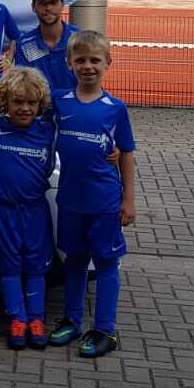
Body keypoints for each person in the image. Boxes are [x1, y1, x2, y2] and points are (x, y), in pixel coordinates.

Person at [49, 30, 137, 358]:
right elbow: (23, 113)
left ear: (108, 63)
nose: (88, 66)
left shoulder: (115, 108)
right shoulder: (59, 101)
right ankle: (72, 319)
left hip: (104, 201)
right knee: (74, 260)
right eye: (81, 60)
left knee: (105, 262)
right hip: (70, 199)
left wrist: (129, 199)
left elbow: (126, 153)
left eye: (95, 60)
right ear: (69, 63)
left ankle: (105, 329)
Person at [0, 67, 56, 350]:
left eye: (31, 103)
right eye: (17, 102)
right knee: (9, 266)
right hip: (3, 211)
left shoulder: (48, 131)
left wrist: (113, 152)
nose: (24, 108)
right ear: (5, 103)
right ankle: (17, 319)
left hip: (35, 210)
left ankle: (36, 319)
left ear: (40, 105)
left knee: (36, 266)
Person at [14, 0, 80, 91]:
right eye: (42, 3)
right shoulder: (24, 45)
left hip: (75, 102)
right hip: (40, 102)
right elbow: (25, 87)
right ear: (33, 7)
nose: (48, 8)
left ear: (62, 4)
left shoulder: (79, 39)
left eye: (53, 3)